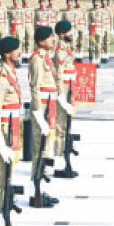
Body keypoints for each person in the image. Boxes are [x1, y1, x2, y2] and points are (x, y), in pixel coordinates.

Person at [0, 38, 27, 226]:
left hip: (13, 129)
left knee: (8, 176)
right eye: (15, 50)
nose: (19, 52)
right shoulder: (1, 79)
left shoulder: (12, 74)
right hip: (4, 131)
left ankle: (7, 220)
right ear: (6, 54)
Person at [28, 27, 60, 207]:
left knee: (46, 149)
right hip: (42, 106)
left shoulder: (46, 57)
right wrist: (38, 112)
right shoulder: (37, 59)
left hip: (50, 105)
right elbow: (35, 86)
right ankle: (36, 191)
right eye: (49, 38)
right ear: (41, 41)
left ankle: (42, 190)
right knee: (39, 151)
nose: (53, 40)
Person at [53, 20, 77, 177]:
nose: (71, 34)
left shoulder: (67, 49)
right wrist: (61, 97)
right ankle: (59, 163)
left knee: (67, 127)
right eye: (69, 31)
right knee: (61, 128)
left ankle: (65, 161)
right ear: (62, 35)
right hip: (64, 91)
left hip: (69, 90)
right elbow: (59, 75)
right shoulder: (60, 52)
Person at [88, 0, 103, 65]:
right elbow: (88, 21)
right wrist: (87, 29)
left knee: (98, 45)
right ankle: (92, 58)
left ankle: (98, 59)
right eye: (94, 2)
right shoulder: (90, 11)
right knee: (92, 45)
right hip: (92, 31)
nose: (96, 4)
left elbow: (102, 20)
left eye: (97, 2)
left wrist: (103, 29)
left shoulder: (100, 11)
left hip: (99, 30)